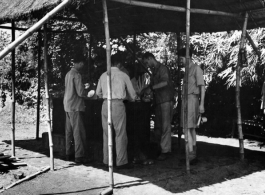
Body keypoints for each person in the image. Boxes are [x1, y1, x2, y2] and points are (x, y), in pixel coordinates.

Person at [96, 54, 137, 169]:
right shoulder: (123, 75)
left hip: (105, 104)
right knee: (120, 133)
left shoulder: (103, 75)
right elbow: (132, 95)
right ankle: (121, 161)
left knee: (106, 133)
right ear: (119, 64)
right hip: (118, 105)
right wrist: (131, 98)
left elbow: (97, 93)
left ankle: (107, 160)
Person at [141, 52, 175, 161]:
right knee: (158, 127)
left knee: (165, 126)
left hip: (166, 100)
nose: (146, 65)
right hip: (158, 101)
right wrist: (145, 89)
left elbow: (165, 82)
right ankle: (161, 149)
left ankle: (166, 151)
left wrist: (151, 88)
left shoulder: (163, 68)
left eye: (147, 62)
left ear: (150, 58)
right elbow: (152, 85)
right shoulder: (153, 71)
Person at [178, 48, 205, 162]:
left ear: (188, 57)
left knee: (188, 128)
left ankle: (190, 154)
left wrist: (202, 104)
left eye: (182, 58)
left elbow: (202, 87)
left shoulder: (196, 69)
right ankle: (192, 154)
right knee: (190, 128)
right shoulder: (187, 70)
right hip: (186, 99)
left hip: (192, 99)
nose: (181, 61)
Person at [63, 54, 91, 164]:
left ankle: (68, 153)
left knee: (68, 131)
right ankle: (79, 156)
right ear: (78, 63)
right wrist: (87, 91)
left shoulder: (68, 74)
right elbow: (80, 92)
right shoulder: (77, 75)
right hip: (75, 106)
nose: (83, 65)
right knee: (78, 132)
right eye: (82, 63)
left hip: (68, 105)